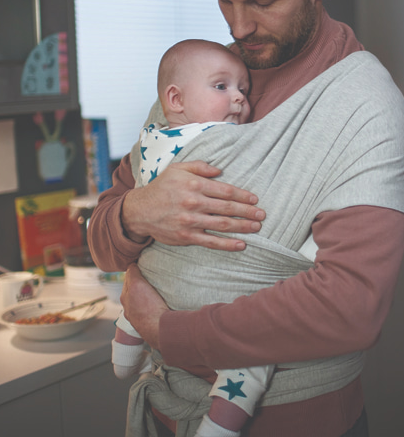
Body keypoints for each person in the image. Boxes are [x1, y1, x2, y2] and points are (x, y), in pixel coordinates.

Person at [88, 0, 404, 437]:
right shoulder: (203, 79)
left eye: (261, 1)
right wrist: (138, 212)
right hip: (167, 409)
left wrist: (169, 332)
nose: (238, 26)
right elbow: (103, 234)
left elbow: (350, 306)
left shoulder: (366, 105)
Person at [112, 38, 287, 437]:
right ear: (175, 98)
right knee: (252, 359)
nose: (239, 99)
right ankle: (221, 421)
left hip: (197, 275)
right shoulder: (216, 137)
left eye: (243, 88)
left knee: (146, 281)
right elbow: (113, 216)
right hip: (190, 274)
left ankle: (129, 338)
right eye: (222, 87)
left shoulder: (153, 138)